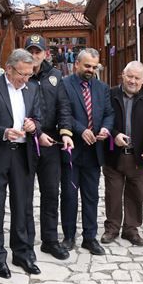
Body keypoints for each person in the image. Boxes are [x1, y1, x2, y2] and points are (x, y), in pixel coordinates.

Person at [0, 49, 41, 278]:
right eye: (22, 74)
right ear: (8, 69)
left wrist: (34, 126)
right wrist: (3, 132)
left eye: (29, 74)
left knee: (22, 205)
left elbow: (39, 117)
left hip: (22, 154)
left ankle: (21, 252)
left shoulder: (33, 88)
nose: (26, 79)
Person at [24, 35, 74, 261]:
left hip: (51, 143)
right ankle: (25, 241)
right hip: (26, 142)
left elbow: (64, 107)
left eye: (38, 52)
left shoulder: (56, 76)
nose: (34, 56)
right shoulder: (21, 74)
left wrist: (65, 132)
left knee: (51, 193)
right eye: (31, 51)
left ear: (46, 54)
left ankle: (50, 240)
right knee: (24, 194)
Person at [60, 48, 114, 255]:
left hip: (94, 152)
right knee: (69, 196)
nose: (91, 70)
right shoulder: (65, 85)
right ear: (77, 64)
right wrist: (81, 130)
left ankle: (90, 238)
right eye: (87, 66)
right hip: (72, 150)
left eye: (94, 66)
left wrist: (106, 129)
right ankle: (69, 236)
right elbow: (63, 114)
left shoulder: (102, 88)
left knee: (91, 196)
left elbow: (109, 113)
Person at [102, 61, 143, 247]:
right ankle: (112, 228)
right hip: (114, 154)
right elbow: (103, 119)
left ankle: (131, 229)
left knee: (136, 192)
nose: (133, 81)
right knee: (113, 193)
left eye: (137, 78)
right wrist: (114, 134)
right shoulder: (110, 94)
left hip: (139, 156)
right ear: (122, 75)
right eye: (130, 76)